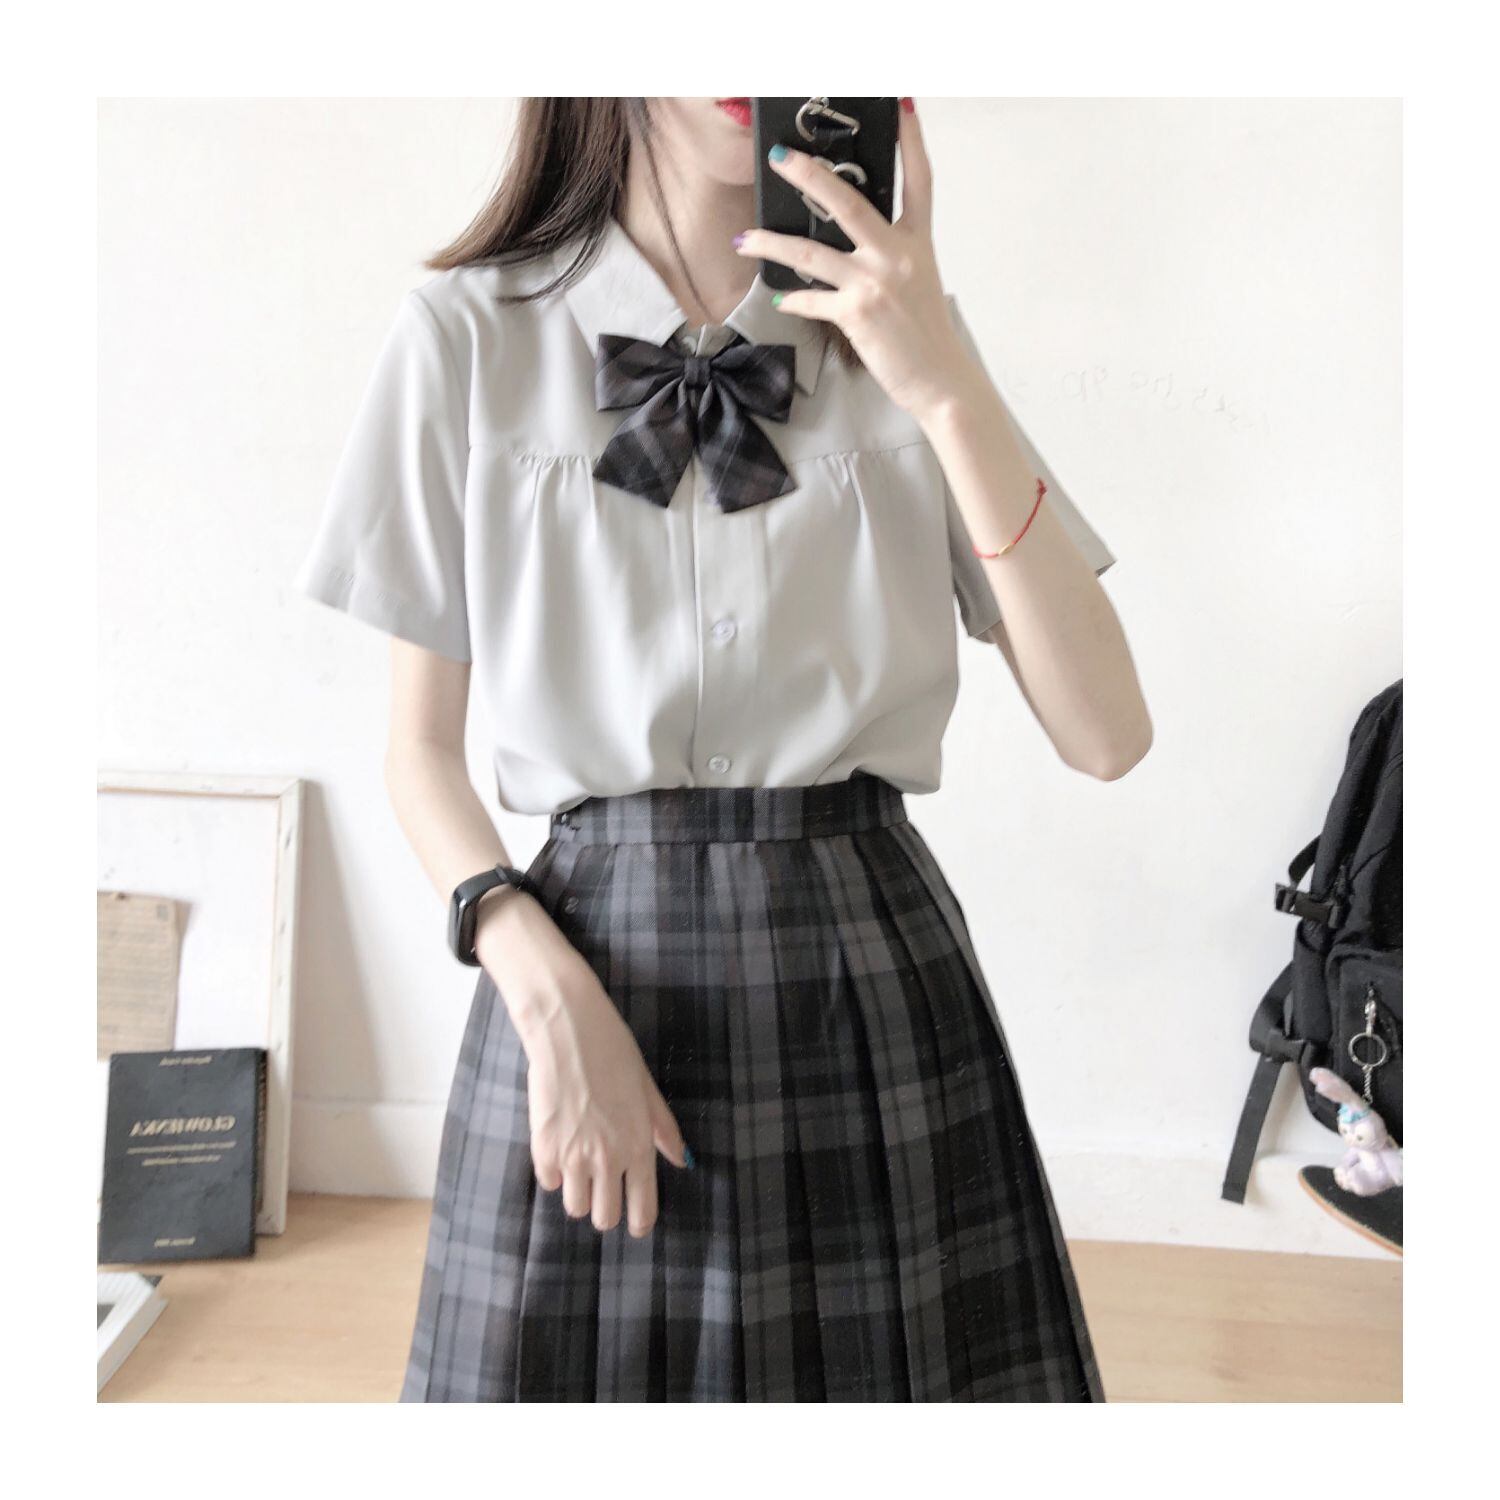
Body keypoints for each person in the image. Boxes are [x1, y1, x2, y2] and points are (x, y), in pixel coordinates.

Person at [296, 96, 1153, 1402]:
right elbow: (419, 754)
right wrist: (540, 985)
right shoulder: (466, 337)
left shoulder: (900, 333)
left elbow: (1106, 733)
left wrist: (942, 384)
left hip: (867, 984)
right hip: (582, 979)